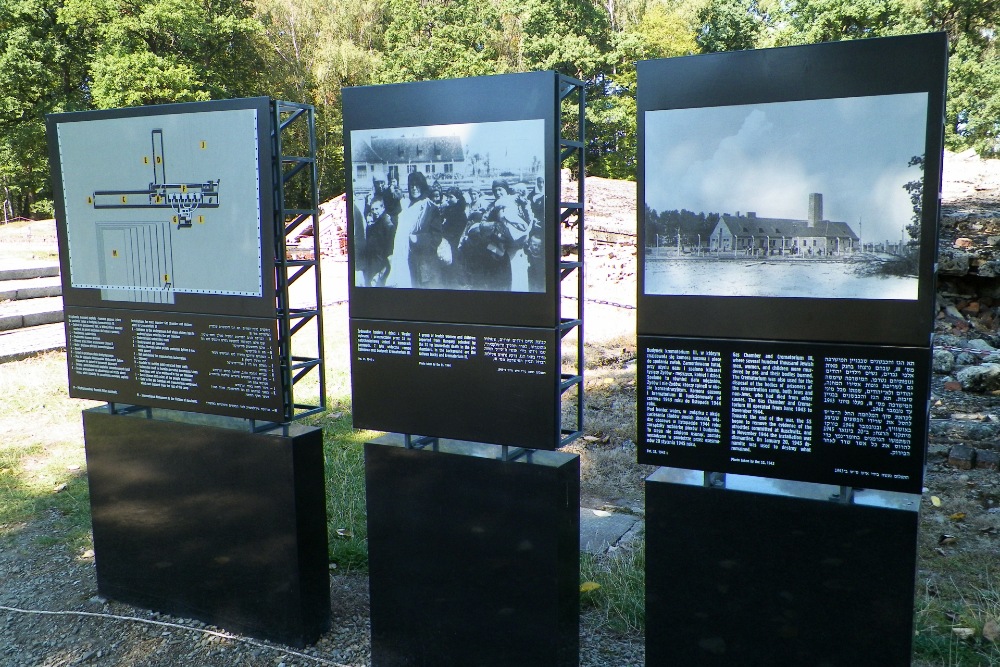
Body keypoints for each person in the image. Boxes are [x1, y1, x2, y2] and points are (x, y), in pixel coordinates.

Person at [403, 171, 445, 288]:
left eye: (417, 186)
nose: (414, 189)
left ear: (423, 187)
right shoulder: (408, 206)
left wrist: (418, 238)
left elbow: (437, 236)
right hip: (410, 259)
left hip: (426, 262)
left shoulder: (430, 207)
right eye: (412, 186)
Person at [362, 195, 395, 287]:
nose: (375, 212)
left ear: (383, 208)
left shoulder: (387, 224)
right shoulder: (377, 222)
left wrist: (382, 270)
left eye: (377, 209)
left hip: (380, 265)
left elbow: (389, 250)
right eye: (372, 209)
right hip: (372, 262)